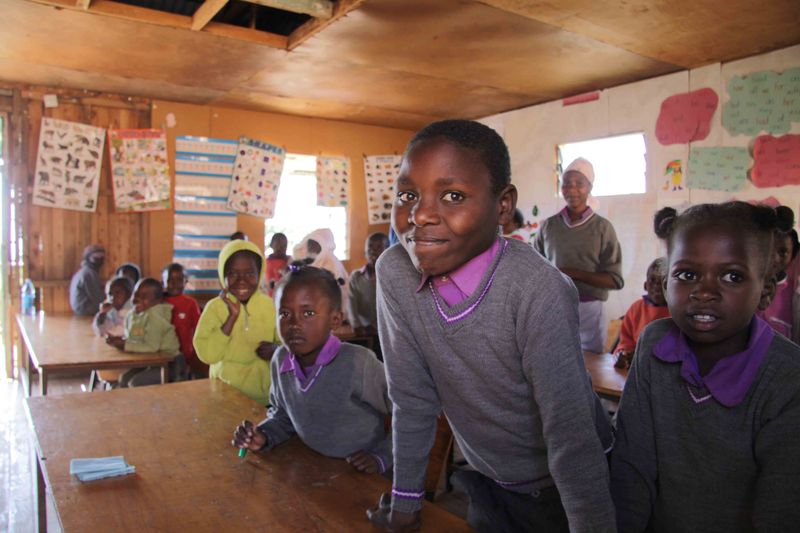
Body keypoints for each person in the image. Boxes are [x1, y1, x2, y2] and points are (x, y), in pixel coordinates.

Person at [367, 120, 615, 532]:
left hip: (565, 488)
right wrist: (405, 507)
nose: (421, 214)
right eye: (408, 194)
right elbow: (410, 398)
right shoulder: (394, 272)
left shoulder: (537, 289)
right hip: (487, 479)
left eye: (452, 196)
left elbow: (571, 438)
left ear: (502, 207)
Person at [611, 202, 800, 532]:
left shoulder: (786, 377)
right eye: (687, 274)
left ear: (766, 290)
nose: (705, 292)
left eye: (732, 276)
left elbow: (780, 510)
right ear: (665, 280)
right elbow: (632, 467)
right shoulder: (653, 344)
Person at [232, 266, 392, 474]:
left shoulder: (357, 363)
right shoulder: (281, 360)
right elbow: (283, 415)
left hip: (365, 474)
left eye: (308, 313)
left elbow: (406, 409)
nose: (294, 324)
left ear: (335, 319)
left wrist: (382, 457)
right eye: (285, 314)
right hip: (316, 468)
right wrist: (263, 435)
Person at [534, 158, 623, 353]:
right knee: (555, 362)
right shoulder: (549, 226)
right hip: (555, 307)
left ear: (590, 186)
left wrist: (572, 273)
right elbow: (535, 269)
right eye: (566, 183)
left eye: (579, 183)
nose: (572, 189)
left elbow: (615, 280)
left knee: (590, 369)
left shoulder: (602, 228)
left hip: (590, 310)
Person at [193, 239, 280, 405]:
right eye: (233, 274)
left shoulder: (270, 306)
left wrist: (276, 350)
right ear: (223, 275)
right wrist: (231, 319)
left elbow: (287, 345)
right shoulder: (215, 308)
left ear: (260, 274)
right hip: (224, 394)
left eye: (250, 274)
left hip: (264, 395)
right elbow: (207, 355)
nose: (242, 280)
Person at [107, 278, 182, 387]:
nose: (137, 299)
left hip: (170, 364)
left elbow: (152, 347)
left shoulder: (156, 317)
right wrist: (121, 341)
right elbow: (134, 336)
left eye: (144, 297)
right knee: (124, 379)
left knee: (135, 383)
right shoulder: (136, 313)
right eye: (136, 295)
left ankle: (140, 404)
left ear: (157, 302)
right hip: (150, 361)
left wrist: (125, 345)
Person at [613, 257, 671, 369]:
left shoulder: (678, 314)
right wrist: (624, 354)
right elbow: (626, 341)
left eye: (664, 282)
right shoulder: (636, 308)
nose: (657, 287)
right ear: (645, 285)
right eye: (652, 280)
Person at [759, 206, 799, 340]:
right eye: (768, 248)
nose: (774, 258)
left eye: (783, 252)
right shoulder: (743, 287)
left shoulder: (795, 295)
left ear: (792, 255)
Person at [293, 228, 351, 319]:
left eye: (315, 245)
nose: (311, 248)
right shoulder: (306, 263)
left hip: (330, 313)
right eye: (310, 244)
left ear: (324, 246)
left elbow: (336, 293)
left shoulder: (331, 264)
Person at [163, 263, 204, 378]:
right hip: (164, 353)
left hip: (185, 355)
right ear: (163, 282)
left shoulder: (190, 303)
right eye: (170, 280)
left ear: (185, 282)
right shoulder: (160, 301)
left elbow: (199, 328)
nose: (175, 284)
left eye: (179, 280)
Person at [348, 232, 389, 337]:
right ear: (365, 251)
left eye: (379, 247)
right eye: (370, 246)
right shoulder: (356, 277)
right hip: (364, 330)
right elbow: (351, 304)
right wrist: (357, 325)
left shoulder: (392, 276)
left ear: (388, 250)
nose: (373, 251)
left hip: (390, 329)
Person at [69, 244, 106, 316]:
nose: (100, 260)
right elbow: (97, 298)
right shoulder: (89, 274)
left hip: (80, 308)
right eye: (96, 258)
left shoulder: (85, 271)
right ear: (88, 258)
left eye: (102, 257)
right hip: (84, 309)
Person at [265, 232, 290, 296]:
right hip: (271, 298)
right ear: (272, 245)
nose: (281, 248)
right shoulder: (266, 263)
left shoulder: (290, 261)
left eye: (284, 245)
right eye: (278, 245)